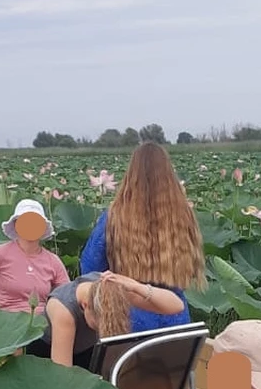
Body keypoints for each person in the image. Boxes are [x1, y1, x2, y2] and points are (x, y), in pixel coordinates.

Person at [27, 269, 185, 389]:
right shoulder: (63, 309)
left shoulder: (112, 290)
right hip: (46, 356)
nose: (101, 330)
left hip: (89, 350)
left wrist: (136, 287)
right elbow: (62, 383)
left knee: (155, 381)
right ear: (85, 305)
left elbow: (176, 306)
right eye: (97, 326)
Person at [79, 142, 206, 332]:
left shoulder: (115, 215)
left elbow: (90, 268)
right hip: (174, 311)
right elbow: (192, 267)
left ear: (131, 174)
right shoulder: (183, 214)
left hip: (128, 314)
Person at [0, 199, 68, 313]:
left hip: (42, 322)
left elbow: (67, 294)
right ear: (16, 225)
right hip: (7, 321)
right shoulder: (1, 253)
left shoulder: (53, 261)